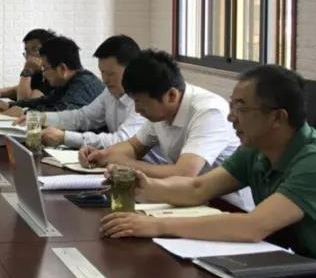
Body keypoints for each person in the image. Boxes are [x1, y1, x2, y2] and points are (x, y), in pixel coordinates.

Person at [99, 65, 316, 278]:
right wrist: (147, 187)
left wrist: (157, 226)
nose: (231, 117)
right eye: (232, 106)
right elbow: (198, 188)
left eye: (241, 108)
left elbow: (253, 226)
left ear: (277, 118)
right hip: (304, 272)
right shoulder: (256, 149)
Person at [81, 49, 250, 207]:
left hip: (226, 205)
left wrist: (128, 165)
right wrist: (104, 155)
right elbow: (133, 146)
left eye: (140, 102)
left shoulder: (209, 112)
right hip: (188, 197)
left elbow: (184, 173)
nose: (137, 110)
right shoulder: (161, 111)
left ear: (171, 95)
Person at [37, 35, 145, 148]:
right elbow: (83, 117)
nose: (105, 79)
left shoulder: (144, 100)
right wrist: (42, 118)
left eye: (111, 74)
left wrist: (65, 138)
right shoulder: (110, 93)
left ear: (131, 70)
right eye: (102, 72)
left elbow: (121, 141)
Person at [0, 36, 104, 117]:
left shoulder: (84, 84)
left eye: (45, 68)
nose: (43, 74)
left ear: (62, 69)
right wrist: (10, 105)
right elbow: (45, 101)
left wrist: (24, 113)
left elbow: (62, 115)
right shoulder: (69, 82)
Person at [0, 29, 56, 103]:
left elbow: (24, 103)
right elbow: (14, 90)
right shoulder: (38, 73)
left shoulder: (55, 77)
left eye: (35, 49)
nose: (29, 56)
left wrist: (27, 70)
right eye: (27, 51)